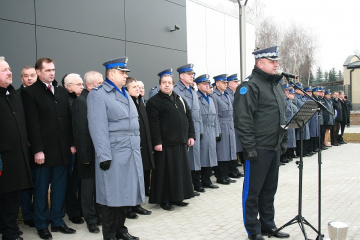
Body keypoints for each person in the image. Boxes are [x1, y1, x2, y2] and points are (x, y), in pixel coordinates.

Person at [233, 46, 289, 240]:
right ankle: (253, 230)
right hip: (258, 148)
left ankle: (268, 225)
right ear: (260, 63)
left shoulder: (276, 85)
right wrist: (249, 148)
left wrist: (284, 140)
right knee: (252, 192)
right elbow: (242, 120)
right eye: (272, 61)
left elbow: (282, 115)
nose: (276, 64)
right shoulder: (249, 86)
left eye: (276, 61)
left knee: (269, 190)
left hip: (274, 146)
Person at [87, 57, 144, 240]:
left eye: (125, 72)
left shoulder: (124, 92)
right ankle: (110, 234)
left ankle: (121, 229)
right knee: (111, 196)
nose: (125, 76)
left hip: (130, 151)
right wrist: (104, 155)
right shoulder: (99, 94)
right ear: (111, 74)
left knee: (124, 194)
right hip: (114, 152)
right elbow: (98, 127)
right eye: (122, 72)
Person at [21, 57, 76, 239]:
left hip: (61, 152)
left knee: (60, 189)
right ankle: (42, 224)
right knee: (41, 191)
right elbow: (32, 124)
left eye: (53, 69)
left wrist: (72, 144)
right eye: (47, 70)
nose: (52, 73)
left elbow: (67, 121)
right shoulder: (30, 93)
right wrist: (37, 149)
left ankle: (58, 221)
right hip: (43, 153)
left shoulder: (59, 91)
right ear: (38, 72)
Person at [146, 68, 195, 211]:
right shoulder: (154, 102)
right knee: (164, 173)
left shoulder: (179, 99)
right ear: (160, 85)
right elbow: (153, 124)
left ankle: (178, 197)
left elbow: (188, 118)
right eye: (164, 83)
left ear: (173, 84)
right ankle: (164, 199)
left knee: (179, 172)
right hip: (164, 145)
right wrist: (157, 142)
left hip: (180, 142)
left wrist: (190, 135)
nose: (167, 85)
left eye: (169, 83)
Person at [0, 57, 33, 240]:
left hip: (18, 157)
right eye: (4, 70)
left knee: (13, 197)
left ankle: (9, 229)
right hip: (4, 159)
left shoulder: (14, 95)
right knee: (6, 197)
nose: (9, 72)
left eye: (9, 68)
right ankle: (9, 232)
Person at [72, 71, 103, 234]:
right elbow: (80, 131)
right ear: (89, 85)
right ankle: (90, 219)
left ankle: (99, 216)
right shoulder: (81, 102)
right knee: (87, 189)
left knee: (99, 188)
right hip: (87, 155)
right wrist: (84, 156)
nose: (101, 86)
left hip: (100, 154)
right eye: (98, 83)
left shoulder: (97, 100)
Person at [125, 77, 154, 218]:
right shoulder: (126, 103)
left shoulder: (140, 102)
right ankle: (128, 208)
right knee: (131, 178)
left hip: (143, 147)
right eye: (134, 87)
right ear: (127, 90)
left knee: (141, 176)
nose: (138, 89)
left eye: (138, 86)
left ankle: (137, 204)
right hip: (132, 148)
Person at [173, 64, 204, 194]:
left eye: (192, 74)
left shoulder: (193, 91)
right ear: (181, 76)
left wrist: (200, 129)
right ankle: (187, 185)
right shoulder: (176, 91)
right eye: (189, 74)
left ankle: (196, 183)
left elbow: (198, 113)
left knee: (195, 157)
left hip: (194, 129)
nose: (192, 76)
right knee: (185, 158)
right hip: (183, 130)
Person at [63, 73, 85, 225]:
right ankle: (73, 212)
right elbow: (67, 127)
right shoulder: (66, 101)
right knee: (71, 183)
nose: (82, 86)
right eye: (79, 84)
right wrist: (72, 144)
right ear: (68, 86)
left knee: (81, 181)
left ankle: (82, 208)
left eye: (82, 84)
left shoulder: (81, 100)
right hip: (72, 149)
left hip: (82, 147)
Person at [17, 66, 37, 228]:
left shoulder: (42, 94)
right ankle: (28, 215)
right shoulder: (17, 96)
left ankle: (38, 212)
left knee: (39, 184)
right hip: (24, 148)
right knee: (26, 184)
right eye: (26, 76)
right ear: (21, 78)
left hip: (41, 148)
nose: (29, 78)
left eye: (32, 75)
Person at [211, 74, 237, 185]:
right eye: (223, 82)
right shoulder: (214, 96)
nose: (225, 84)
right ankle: (220, 176)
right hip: (222, 125)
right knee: (222, 152)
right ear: (217, 84)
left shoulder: (225, 95)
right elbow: (215, 115)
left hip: (229, 125)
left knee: (228, 152)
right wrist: (218, 130)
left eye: (226, 82)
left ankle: (226, 174)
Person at [195, 74, 219, 189]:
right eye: (204, 84)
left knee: (211, 156)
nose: (207, 86)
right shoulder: (197, 98)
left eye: (208, 84)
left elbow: (216, 117)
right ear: (198, 85)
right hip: (203, 130)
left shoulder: (210, 98)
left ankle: (207, 180)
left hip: (211, 130)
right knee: (202, 157)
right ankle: (198, 181)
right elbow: (197, 116)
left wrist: (217, 132)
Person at [225, 74, 244, 177]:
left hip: (235, 124)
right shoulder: (228, 94)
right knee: (231, 148)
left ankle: (234, 168)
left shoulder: (234, 93)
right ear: (230, 84)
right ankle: (231, 169)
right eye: (236, 82)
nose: (238, 84)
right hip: (230, 124)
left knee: (235, 148)